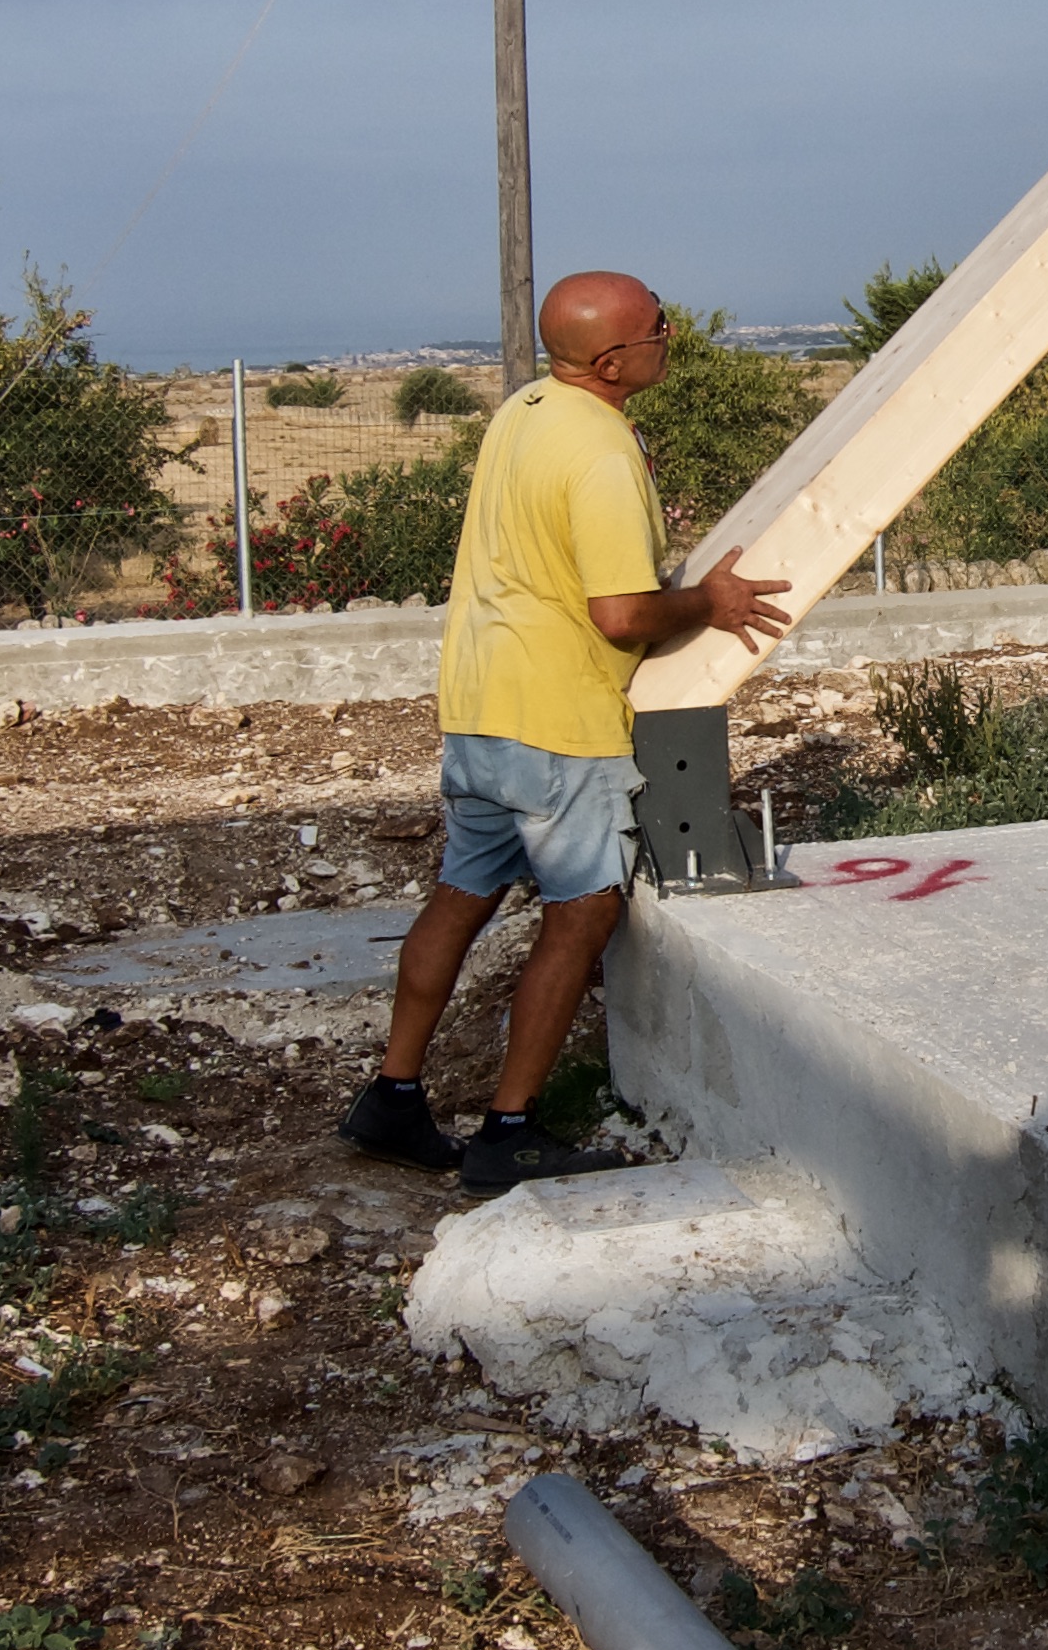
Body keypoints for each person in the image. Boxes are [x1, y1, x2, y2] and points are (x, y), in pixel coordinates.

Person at [340, 272, 794, 1190]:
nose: (671, 335)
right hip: (561, 725)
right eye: (658, 327)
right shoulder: (601, 454)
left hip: (482, 706)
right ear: (612, 362)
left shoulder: (526, 410)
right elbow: (621, 615)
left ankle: (392, 1097)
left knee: (461, 894)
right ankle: (508, 1134)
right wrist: (710, 601)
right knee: (582, 911)